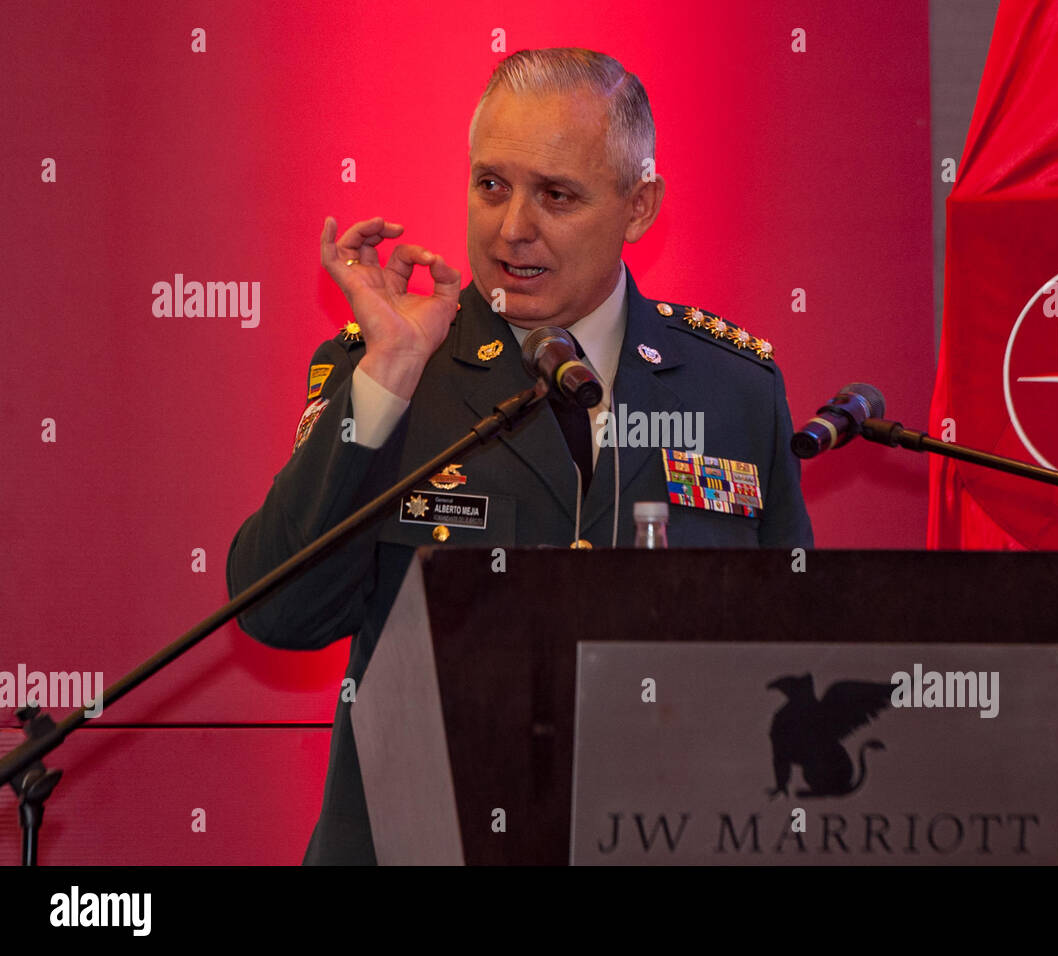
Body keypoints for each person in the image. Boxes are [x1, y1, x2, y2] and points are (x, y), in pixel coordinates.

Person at [227, 47, 814, 865]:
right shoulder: (391, 369)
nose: (513, 228)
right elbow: (277, 614)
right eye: (492, 185)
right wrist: (387, 377)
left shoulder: (732, 390)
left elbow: (793, 647)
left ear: (638, 207)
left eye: (557, 195)